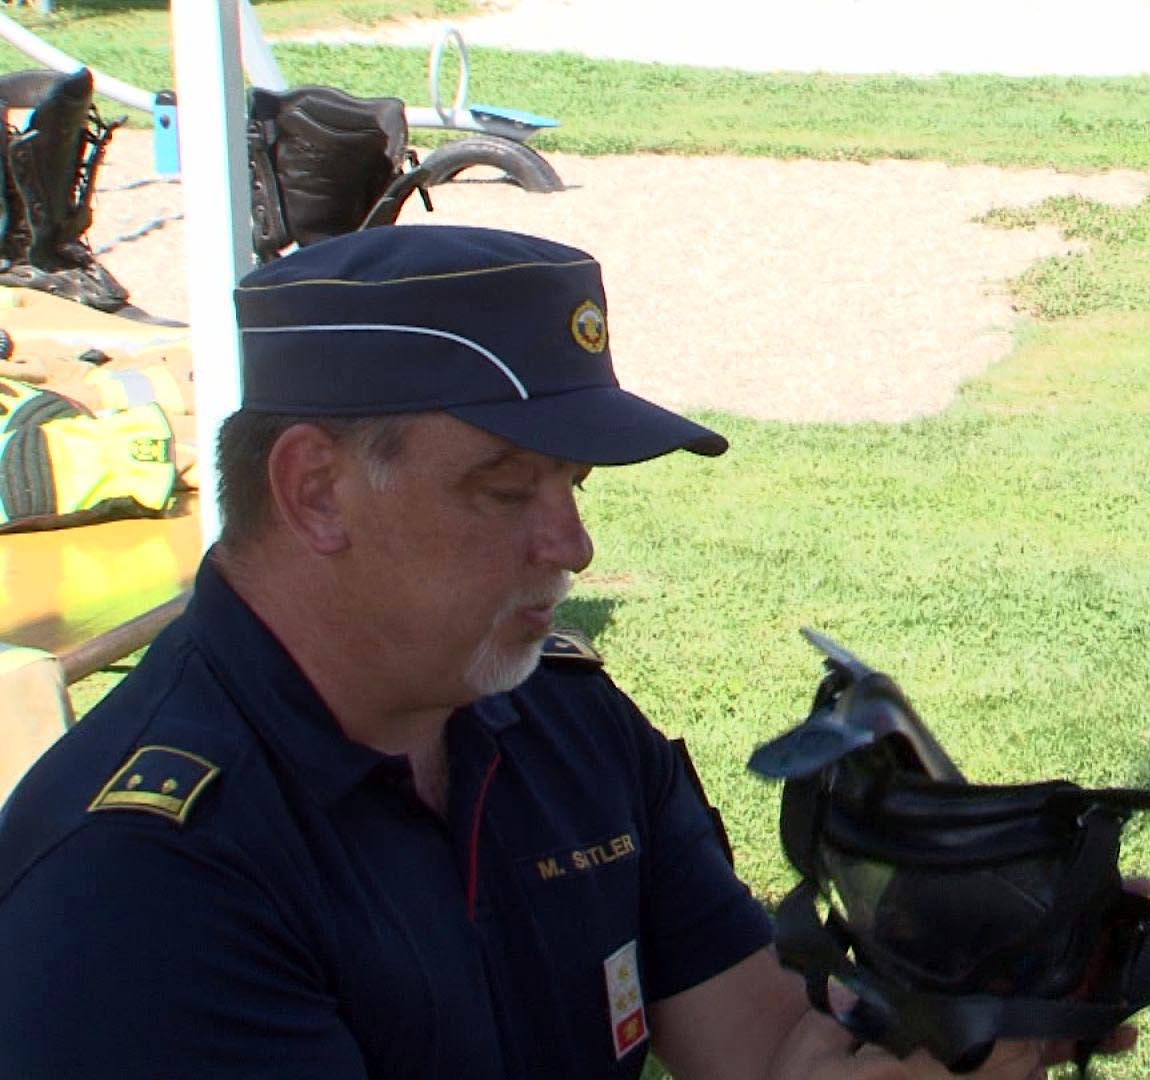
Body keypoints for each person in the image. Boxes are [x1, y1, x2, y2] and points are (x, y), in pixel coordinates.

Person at [0, 224, 1069, 1079]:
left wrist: (959, 1012)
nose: (573, 545)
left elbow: (766, 1047)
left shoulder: (561, 726)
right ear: (316, 489)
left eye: (576, 486)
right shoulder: (142, 881)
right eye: (504, 488)